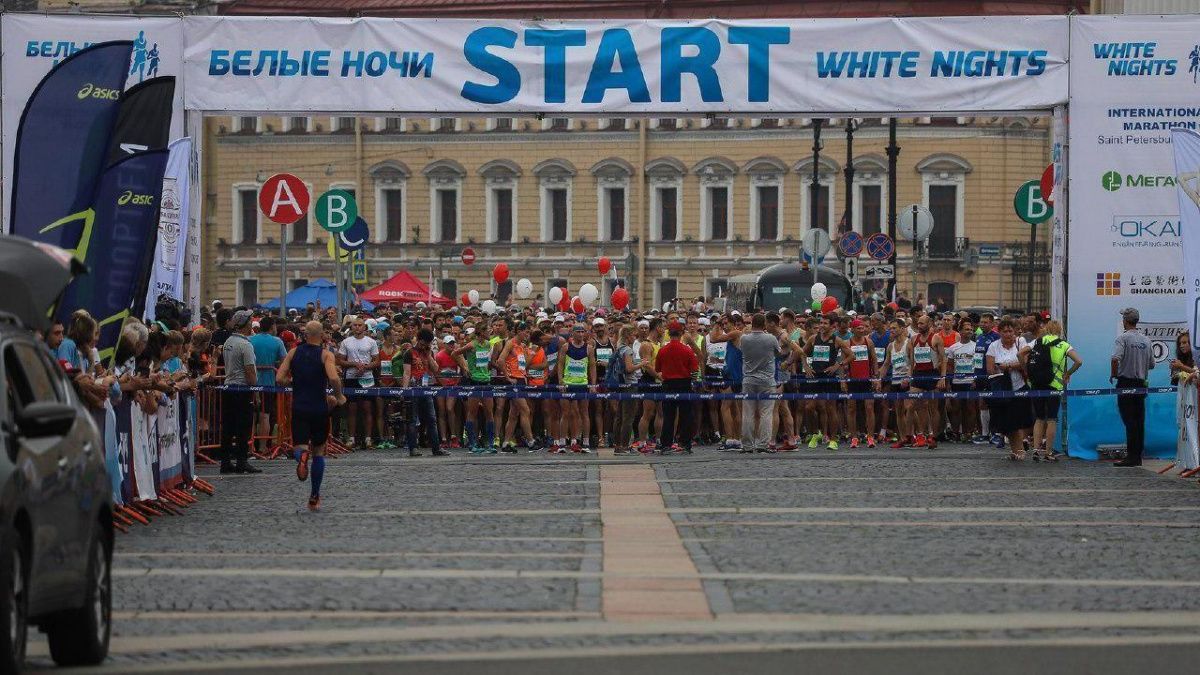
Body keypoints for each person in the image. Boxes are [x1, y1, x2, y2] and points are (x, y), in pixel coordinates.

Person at [277, 321, 346, 512]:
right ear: (322, 334)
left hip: (299, 406)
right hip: (319, 407)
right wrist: (338, 395)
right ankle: (314, 496)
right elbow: (333, 377)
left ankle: (301, 456)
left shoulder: (293, 353)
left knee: (299, 446)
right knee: (319, 452)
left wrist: (293, 381)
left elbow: (279, 379)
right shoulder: (326, 354)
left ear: (304, 334)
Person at [1024, 319, 1082, 461]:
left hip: (1036, 384)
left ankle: (1036, 450)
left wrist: (1027, 372)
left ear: (1047, 329)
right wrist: (1068, 373)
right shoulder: (1064, 345)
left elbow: (1020, 354)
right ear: (1060, 330)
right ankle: (1048, 452)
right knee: (1051, 419)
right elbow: (1079, 361)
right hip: (1054, 386)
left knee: (1039, 418)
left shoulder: (1038, 341)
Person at [220, 310, 262, 474]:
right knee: (243, 427)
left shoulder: (228, 341)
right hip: (243, 389)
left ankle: (225, 462)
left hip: (228, 387)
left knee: (228, 426)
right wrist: (256, 392)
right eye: (250, 321)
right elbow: (250, 371)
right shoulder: (245, 345)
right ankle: (241, 461)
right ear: (246, 324)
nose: (252, 323)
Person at [1111, 307, 1154, 467]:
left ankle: (1131, 456)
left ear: (1125, 321)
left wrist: (1114, 374)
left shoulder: (1122, 338)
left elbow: (1115, 359)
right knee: (1139, 420)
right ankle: (1137, 456)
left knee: (1129, 420)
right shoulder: (1146, 340)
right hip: (1141, 384)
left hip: (1126, 383)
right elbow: (1151, 365)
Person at [986, 318, 1032, 460]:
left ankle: (1020, 450)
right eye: (1004, 331)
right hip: (1002, 389)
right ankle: (1015, 450)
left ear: (1015, 332)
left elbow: (1026, 363)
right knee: (1008, 424)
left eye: (1010, 331)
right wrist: (1001, 370)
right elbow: (990, 368)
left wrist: (1009, 366)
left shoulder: (1021, 342)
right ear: (999, 332)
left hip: (1019, 386)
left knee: (1018, 421)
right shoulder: (993, 346)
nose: (1008, 334)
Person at [739, 313, 782, 453]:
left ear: (752, 323)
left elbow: (742, 352)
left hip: (749, 379)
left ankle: (747, 445)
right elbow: (778, 353)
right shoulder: (771, 338)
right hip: (767, 380)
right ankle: (763, 444)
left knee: (748, 413)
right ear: (764, 324)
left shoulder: (744, 339)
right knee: (766, 413)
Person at [336, 317, 381, 450]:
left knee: (367, 408)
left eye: (360, 325)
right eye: (355, 325)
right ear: (352, 327)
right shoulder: (346, 342)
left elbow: (376, 361)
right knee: (352, 409)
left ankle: (368, 439)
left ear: (364, 327)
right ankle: (351, 438)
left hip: (367, 377)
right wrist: (354, 364)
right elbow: (340, 361)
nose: (357, 327)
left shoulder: (371, 342)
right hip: (351, 377)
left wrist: (366, 367)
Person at [655, 319, 698, 454]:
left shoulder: (662, 350)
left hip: (668, 385)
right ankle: (685, 443)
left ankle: (666, 444)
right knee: (686, 416)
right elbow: (694, 370)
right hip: (684, 384)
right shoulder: (687, 350)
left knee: (668, 416)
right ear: (681, 333)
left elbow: (658, 369)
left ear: (669, 332)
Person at [401, 328, 446, 457]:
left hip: (426, 390)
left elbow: (436, 369)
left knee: (432, 419)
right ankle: (413, 448)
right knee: (412, 420)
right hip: (413, 390)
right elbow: (406, 372)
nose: (426, 345)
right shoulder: (409, 353)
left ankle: (436, 448)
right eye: (425, 343)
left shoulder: (428, 352)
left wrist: (428, 356)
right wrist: (405, 391)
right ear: (420, 341)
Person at [249, 316, 288, 454]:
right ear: (272, 327)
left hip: (250, 381)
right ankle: (263, 446)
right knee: (265, 415)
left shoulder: (250, 340)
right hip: (269, 382)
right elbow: (285, 361)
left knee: (252, 416)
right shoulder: (277, 341)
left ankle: (250, 446)